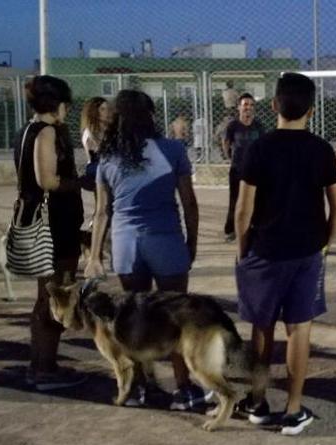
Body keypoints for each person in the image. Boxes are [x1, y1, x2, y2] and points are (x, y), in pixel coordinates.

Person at [233, 72, 336, 435]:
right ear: (311, 110)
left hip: (265, 250)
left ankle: (257, 402)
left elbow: (243, 211)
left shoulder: (258, 148)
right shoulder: (321, 150)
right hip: (306, 252)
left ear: (275, 104)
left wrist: (242, 248)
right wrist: (325, 242)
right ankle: (294, 410)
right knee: (299, 329)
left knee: (261, 328)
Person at [84, 89, 206, 410]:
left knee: (132, 319)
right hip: (165, 240)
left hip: (126, 245)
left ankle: (140, 388)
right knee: (176, 316)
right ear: (151, 115)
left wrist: (95, 256)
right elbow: (189, 203)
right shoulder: (172, 149)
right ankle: (184, 389)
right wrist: (191, 242)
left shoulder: (107, 159)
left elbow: (100, 213)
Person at [15, 76, 87, 391]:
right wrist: (78, 182)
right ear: (57, 103)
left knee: (48, 294)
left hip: (44, 222)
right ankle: (43, 370)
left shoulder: (26, 131)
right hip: (53, 224)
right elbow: (47, 180)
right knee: (53, 296)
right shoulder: (45, 132)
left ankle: (44, 365)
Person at [222, 93, 264, 242]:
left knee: (256, 200)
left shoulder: (258, 125)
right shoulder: (233, 126)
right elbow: (226, 144)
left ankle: (253, 228)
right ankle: (230, 229)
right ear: (239, 107)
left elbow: (262, 146)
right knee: (235, 200)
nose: (248, 108)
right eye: (245, 104)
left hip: (255, 170)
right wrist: (230, 158)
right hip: (237, 169)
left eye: (251, 105)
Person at [79, 97, 113, 191]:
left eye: (108, 108)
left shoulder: (110, 130)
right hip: (97, 166)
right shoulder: (90, 133)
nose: (107, 112)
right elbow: (96, 154)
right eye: (102, 109)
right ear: (94, 112)